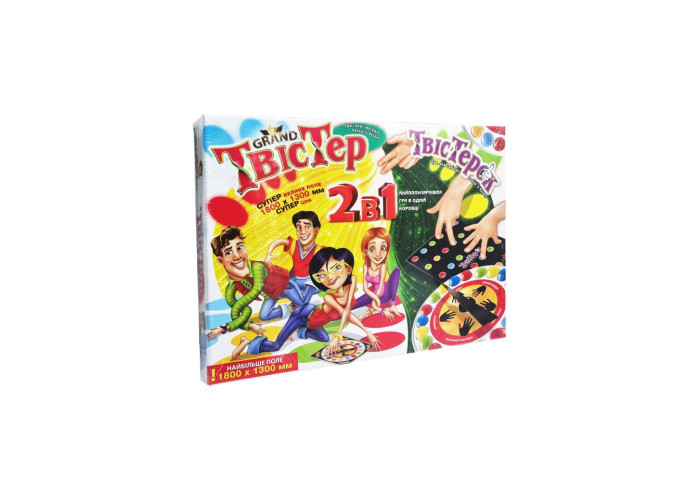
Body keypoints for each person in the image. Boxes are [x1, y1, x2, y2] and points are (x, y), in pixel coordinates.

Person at [232, 247, 380, 359]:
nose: (330, 277)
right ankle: (249, 342)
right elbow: (345, 314)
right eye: (323, 274)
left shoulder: (352, 281)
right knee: (276, 346)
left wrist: (368, 333)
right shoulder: (329, 298)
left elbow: (347, 310)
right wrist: (341, 336)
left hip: (312, 319)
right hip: (302, 315)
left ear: (348, 269)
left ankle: (300, 331)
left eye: (336, 268)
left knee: (324, 338)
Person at [206, 226, 288, 342]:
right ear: (220, 260)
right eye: (228, 252)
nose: (237, 256)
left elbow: (257, 288)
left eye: (240, 247)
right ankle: (290, 308)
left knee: (302, 300)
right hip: (271, 296)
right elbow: (240, 314)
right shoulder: (233, 285)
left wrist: (223, 328)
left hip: (285, 286)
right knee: (264, 316)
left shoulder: (257, 266)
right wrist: (249, 325)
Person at [261, 210, 324, 320]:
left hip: (308, 283)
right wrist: (269, 253)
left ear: (316, 230)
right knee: (264, 315)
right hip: (291, 282)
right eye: (299, 227)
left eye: (307, 226)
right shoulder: (294, 245)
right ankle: (290, 308)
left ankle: (301, 306)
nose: (302, 231)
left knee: (304, 301)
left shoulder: (320, 249)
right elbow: (280, 241)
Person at [352, 227, 401, 321]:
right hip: (372, 293)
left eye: (383, 248)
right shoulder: (366, 265)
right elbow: (365, 288)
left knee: (397, 271)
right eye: (372, 249)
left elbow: (380, 289)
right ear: (365, 251)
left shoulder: (383, 267)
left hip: (384, 294)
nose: (378, 254)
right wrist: (374, 298)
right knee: (352, 305)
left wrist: (377, 303)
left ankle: (393, 304)